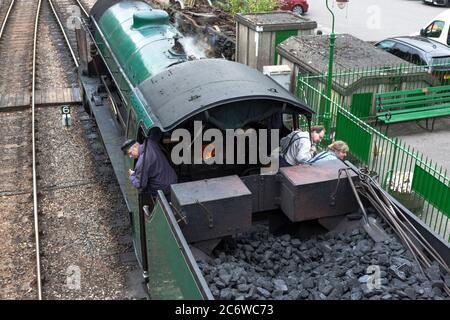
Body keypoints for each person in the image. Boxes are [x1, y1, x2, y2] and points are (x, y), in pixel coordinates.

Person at [121, 130, 177, 197]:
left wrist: (132, 175)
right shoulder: (150, 142)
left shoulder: (141, 162)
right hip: (173, 178)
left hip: (163, 189)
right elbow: (157, 132)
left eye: (130, 153)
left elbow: (140, 185)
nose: (130, 156)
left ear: (136, 146)